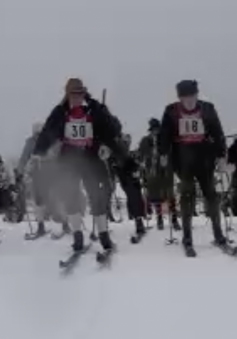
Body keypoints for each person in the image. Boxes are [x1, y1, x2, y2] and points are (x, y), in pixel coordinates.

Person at [33, 78, 126, 253]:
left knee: (97, 195)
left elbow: (111, 128)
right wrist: (39, 150)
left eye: (80, 95)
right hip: (69, 158)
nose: (76, 98)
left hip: (90, 157)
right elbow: (48, 131)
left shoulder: (92, 110)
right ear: (67, 95)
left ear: (84, 95)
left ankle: (104, 234)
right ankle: (77, 235)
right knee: (70, 196)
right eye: (73, 95)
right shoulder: (61, 112)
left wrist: (97, 106)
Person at [158, 79, 228, 256]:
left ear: (197, 95)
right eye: (185, 98)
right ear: (180, 98)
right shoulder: (171, 111)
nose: (189, 101)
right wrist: (163, 153)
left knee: (211, 194)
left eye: (192, 97)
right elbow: (164, 134)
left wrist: (221, 155)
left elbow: (218, 132)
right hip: (182, 158)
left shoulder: (207, 109)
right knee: (187, 194)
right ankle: (187, 237)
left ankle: (218, 234)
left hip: (204, 156)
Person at [138, 118, 179, 230]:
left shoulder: (166, 140)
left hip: (166, 170)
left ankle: (174, 219)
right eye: (153, 130)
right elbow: (141, 154)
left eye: (157, 129)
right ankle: (159, 219)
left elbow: (172, 152)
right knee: (156, 196)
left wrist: (168, 159)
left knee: (170, 195)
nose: (155, 132)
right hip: (152, 172)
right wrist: (144, 161)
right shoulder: (145, 141)